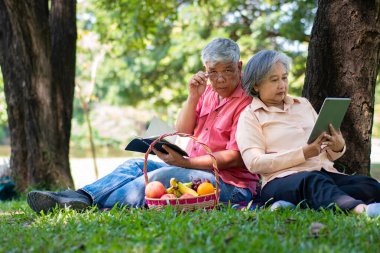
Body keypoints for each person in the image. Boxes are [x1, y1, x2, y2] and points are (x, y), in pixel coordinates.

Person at [27, 38, 260, 213]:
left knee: (162, 175)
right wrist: (193, 97)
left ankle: (77, 204)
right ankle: (80, 196)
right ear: (206, 71)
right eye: (212, 72)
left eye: (227, 71)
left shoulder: (247, 103)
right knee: (134, 165)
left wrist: (186, 162)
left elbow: (235, 157)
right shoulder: (208, 91)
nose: (219, 79)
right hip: (194, 169)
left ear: (239, 67)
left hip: (230, 185)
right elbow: (184, 130)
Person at [235, 49, 380, 217]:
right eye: (274, 80)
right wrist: (303, 153)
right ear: (256, 85)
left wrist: (338, 146)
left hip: (323, 173)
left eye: (284, 77)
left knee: (366, 184)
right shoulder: (250, 116)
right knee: (313, 183)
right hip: (280, 181)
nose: (282, 85)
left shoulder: (303, 104)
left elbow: (326, 152)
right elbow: (254, 162)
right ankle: (361, 211)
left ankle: (290, 205)